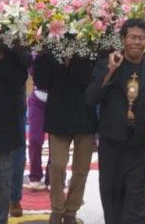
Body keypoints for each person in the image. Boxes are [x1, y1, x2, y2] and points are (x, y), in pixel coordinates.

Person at [86, 18, 145, 224]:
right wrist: (110, 71)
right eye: (132, 37)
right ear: (123, 39)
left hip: (141, 148)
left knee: (136, 206)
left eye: (141, 38)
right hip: (111, 147)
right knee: (112, 202)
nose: (137, 42)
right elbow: (90, 99)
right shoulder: (107, 65)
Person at [34, 52, 97, 224]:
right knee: (57, 165)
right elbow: (41, 82)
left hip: (85, 116)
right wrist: (45, 53)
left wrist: (75, 58)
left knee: (81, 169)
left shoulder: (90, 49)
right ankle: (57, 209)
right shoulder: (50, 52)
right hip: (58, 115)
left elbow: (90, 80)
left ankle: (71, 211)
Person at [0, 44, 30, 224]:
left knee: (16, 150)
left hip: (14, 97)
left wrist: (12, 48)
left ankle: (14, 197)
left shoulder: (18, 37)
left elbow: (26, 63)